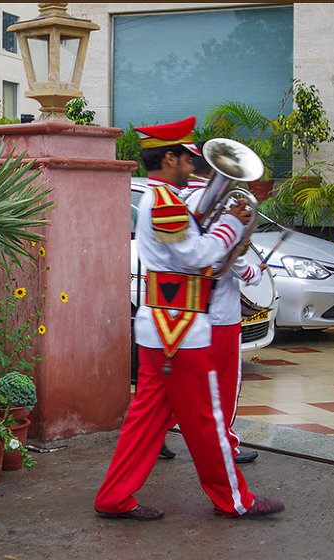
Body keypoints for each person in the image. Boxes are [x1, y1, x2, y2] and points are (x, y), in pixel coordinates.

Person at [94, 117, 284, 521]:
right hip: (178, 329)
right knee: (206, 421)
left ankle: (114, 497)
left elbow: (189, 233)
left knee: (146, 422)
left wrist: (220, 212)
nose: (192, 164)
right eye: (186, 157)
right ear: (169, 157)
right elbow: (197, 256)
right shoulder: (162, 202)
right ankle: (235, 500)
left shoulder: (166, 200)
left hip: (164, 328)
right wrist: (233, 223)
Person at [179, 142, 267, 465]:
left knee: (185, 382)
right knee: (224, 384)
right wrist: (254, 271)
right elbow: (222, 255)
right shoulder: (226, 203)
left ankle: (161, 435)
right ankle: (225, 446)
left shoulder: (179, 200)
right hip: (221, 312)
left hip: (187, 309)